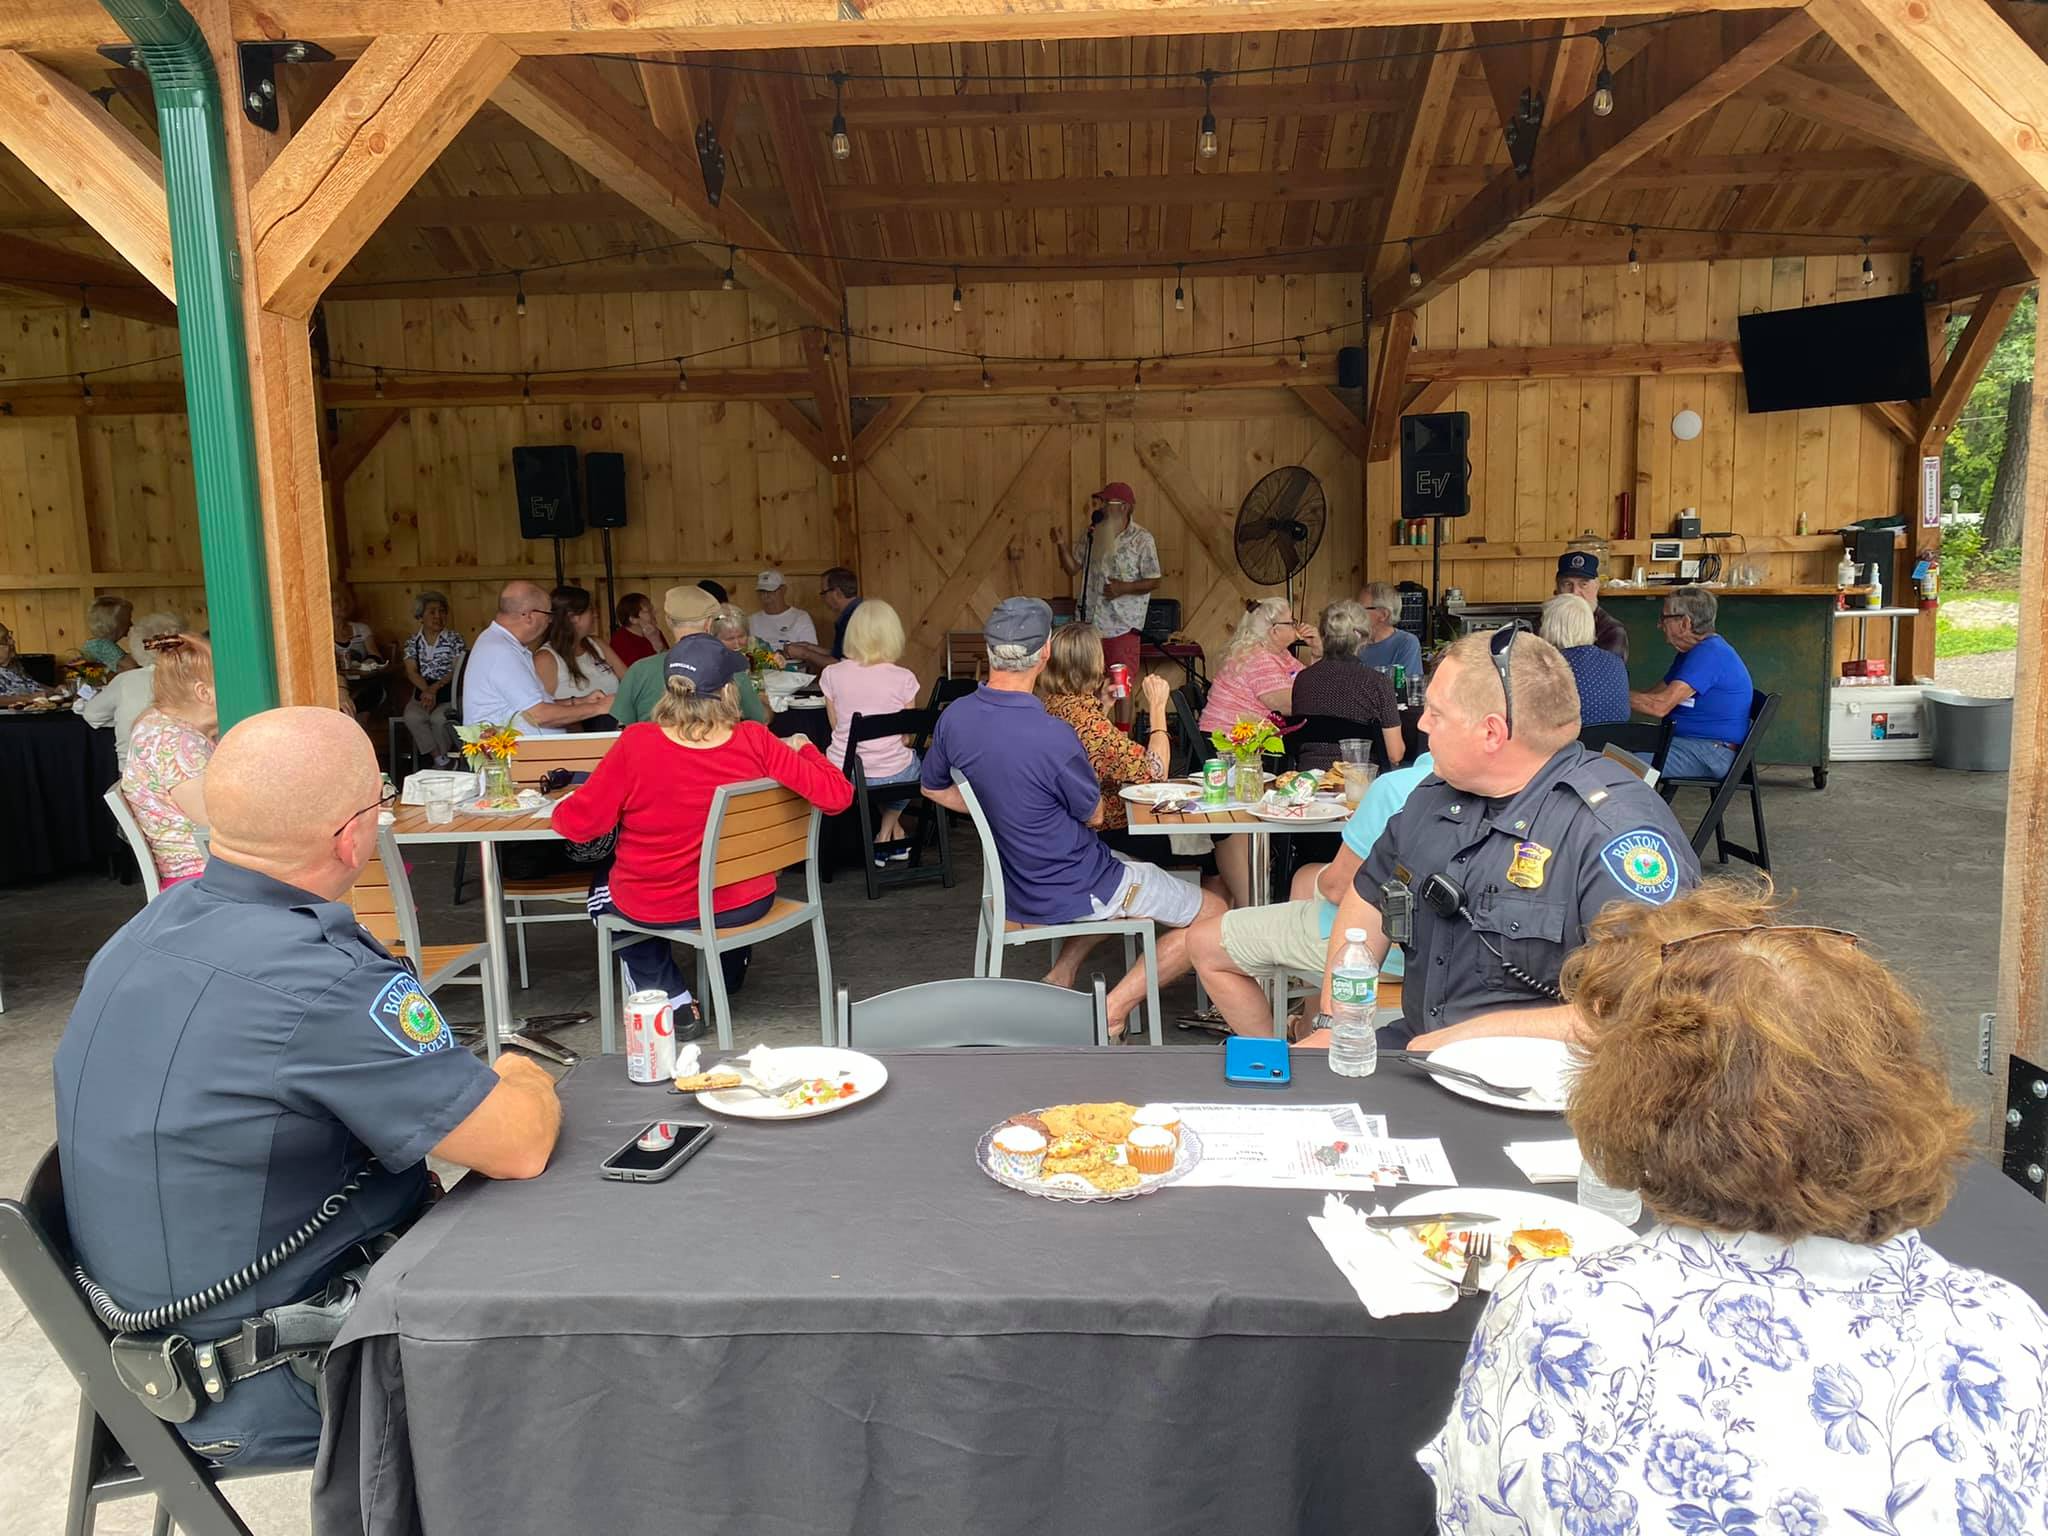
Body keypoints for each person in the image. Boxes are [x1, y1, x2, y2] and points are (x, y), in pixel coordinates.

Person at [1421, 883, 2048, 1536]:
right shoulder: (2004, 1331)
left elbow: (1476, 1514)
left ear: (1633, 1100)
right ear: (1898, 1084)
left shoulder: (1559, 1307)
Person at [55, 706, 560, 1469]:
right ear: (351, 836)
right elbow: (518, 1144)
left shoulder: (142, 934)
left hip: (161, 1369)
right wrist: (520, 1066)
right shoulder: (323, 979)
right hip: (285, 1378)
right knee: (587, 1350)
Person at [1318, 629, 1699, 1050]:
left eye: (1436, 714)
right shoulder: (1434, 795)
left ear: (1492, 733)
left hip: (1548, 1077)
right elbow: (1368, 898)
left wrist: (1463, 1038)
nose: (1423, 724)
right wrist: (1336, 1022)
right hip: (1418, 1049)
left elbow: (1649, 1012)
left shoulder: (1611, 832)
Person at [920, 598, 1227, 1040]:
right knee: (1214, 912)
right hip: (1074, 883)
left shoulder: (955, 717)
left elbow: (932, 788)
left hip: (1017, 882)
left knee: (1131, 872)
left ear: (989, 651)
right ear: (1044, 652)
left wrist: (1000, 808)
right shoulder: (1053, 734)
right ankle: (1112, 1011)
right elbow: (1095, 814)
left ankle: (1061, 975)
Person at [554, 633, 852, 1029]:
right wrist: (806, 748)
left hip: (660, 905)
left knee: (600, 894)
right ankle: (726, 973)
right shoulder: (755, 739)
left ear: (670, 689)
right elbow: (838, 796)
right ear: (728, 690)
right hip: (745, 902)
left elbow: (578, 826)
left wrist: (564, 803)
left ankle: (671, 998)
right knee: (703, 887)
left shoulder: (636, 743)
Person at [1188, 751, 1433, 1038]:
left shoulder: (1396, 787)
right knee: (1307, 878)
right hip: (1452, 955)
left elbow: (1338, 888)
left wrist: (1325, 880)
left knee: (1202, 942)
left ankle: (1276, 1057)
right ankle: (1307, 1025)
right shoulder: (1479, 787)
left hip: (1385, 955)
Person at [1038, 622, 1174, 851]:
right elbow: (1156, 773)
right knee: (1209, 839)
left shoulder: (1050, 706)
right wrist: (1158, 707)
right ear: (1095, 665)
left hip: (1063, 825)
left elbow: (1090, 750)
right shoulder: (1089, 723)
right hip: (1101, 833)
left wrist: (1103, 705)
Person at [819, 598, 923, 863]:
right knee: (909, 766)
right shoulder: (904, 678)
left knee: (874, 771)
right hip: (891, 772)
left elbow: (836, 728)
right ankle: (888, 835)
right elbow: (906, 737)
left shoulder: (831, 674)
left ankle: (888, 836)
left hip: (847, 772)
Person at [1050, 482, 1161, 720]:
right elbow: (1072, 568)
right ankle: (1091, 730)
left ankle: (1122, 735)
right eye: (1100, 502)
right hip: (1090, 623)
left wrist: (1124, 588)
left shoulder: (1142, 539)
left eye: (1106, 503)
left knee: (1121, 684)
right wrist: (1060, 544)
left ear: (1124, 507)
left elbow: (1154, 579)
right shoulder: (1092, 534)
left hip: (1122, 625)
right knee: (1087, 680)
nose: (1101, 508)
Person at [120, 632, 217, 888]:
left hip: (202, 870)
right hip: (202, 880)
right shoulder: (177, 743)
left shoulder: (157, 722)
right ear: (204, 692)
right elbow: (214, 821)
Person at [1629, 584, 1755, 780]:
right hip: (1689, 744)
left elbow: (1659, 706)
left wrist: (1605, 695)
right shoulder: (1692, 652)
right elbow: (1653, 696)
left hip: (1710, 752)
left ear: (1685, 623)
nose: (1659, 625)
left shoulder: (1710, 654)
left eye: (1664, 618)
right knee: (1615, 748)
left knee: (1619, 764)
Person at [463, 580, 615, 735]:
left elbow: (530, 706)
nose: (550, 621)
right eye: (548, 614)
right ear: (529, 616)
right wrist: (599, 707)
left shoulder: (503, 644)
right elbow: (537, 715)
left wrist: (578, 702)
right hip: (509, 750)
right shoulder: (501, 652)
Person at [613, 585, 771, 728]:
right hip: (711, 749)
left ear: (668, 621)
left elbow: (622, 726)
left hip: (654, 750)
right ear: (709, 624)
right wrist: (762, 697)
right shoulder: (730, 666)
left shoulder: (638, 670)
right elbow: (761, 719)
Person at [1289, 600, 1405, 773]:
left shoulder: (1303, 679)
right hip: (1358, 782)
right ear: (1364, 638)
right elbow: (1395, 754)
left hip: (1310, 780)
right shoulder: (1377, 682)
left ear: (1323, 635)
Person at [1199, 595, 1318, 734]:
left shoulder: (1281, 653)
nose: (1296, 625)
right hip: (1229, 737)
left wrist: (1317, 651)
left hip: (1248, 735)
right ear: (1274, 631)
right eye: (1291, 622)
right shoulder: (1257, 658)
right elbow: (1289, 705)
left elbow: (1310, 682)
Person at [79, 610, 183, 764]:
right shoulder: (195, 678)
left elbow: (93, 715)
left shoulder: (125, 680)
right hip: (185, 767)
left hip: (133, 769)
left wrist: (121, 719)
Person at [536, 585, 626, 726]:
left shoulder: (597, 644)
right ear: (573, 617)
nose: (595, 615)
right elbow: (538, 710)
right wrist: (583, 704)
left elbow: (629, 679)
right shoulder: (546, 658)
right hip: (575, 735)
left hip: (615, 728)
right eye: (590, 610)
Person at [1540, 592, 1629, 727]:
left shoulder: (1551, 665)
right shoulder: (1616, 662)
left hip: (1573, 739)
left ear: (1551, 627)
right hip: (1615, 740)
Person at [400, 589, 466, 767]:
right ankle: (439, 758)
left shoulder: (454, 639)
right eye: (432, 612)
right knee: (412, 717)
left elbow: (456, 670)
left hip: (449, 692)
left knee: (439, 720)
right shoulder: (413, 642)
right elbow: (411, 671)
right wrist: (427, 691)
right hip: (422, 692)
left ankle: (445, 759)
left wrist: (433, 690)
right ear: (420, 616)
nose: (438, 616)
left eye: (442, 611)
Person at [1555, 548, 1628, 660]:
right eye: (1567, 584)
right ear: (1557, 588)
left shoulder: (1611, 630)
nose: (1575, 592)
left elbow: (1607, 669)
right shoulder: (1540, 625)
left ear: (1597, 586)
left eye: (1583, 584)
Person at [785, 567, 860, 671]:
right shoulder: (858, 611)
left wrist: (805, 653)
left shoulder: (853, 619)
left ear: (837, 593)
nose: (823, 598)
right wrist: (809, 647)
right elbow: (839, 654)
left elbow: (839, 664)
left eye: (824, 593)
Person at [1357, 582, 1423, 678]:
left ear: (1383, 615)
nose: (1355, 613)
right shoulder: (1353, 642)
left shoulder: (1406, 643)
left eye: (1361, 609)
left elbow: (1407, 684)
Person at [750, 569, 819, 652]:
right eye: (762, 591)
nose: (766, 595)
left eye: (771, 590)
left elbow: (811, 652)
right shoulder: (752, 620)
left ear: (783, 589)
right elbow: (749, 652)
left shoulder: (800, 617)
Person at [0, 620, 65, 705]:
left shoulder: (14, 664)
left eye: (10, 637)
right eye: (5, 640)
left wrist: (54, 690)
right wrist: (30, 698)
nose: (12, 642)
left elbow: (30, 684)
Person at [80, 594, 138, 674]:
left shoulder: (95, 644)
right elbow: (132, 666)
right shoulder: (102, 645)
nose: (131, 624)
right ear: (117, 624)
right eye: (128, 619)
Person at [609, 593, 666, 669]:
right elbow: (635, 673)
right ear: (633, 619)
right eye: (648, 611)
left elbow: (670, 662)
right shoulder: (620, 641)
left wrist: (659, 645)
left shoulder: (655, 632)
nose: (654, 612)